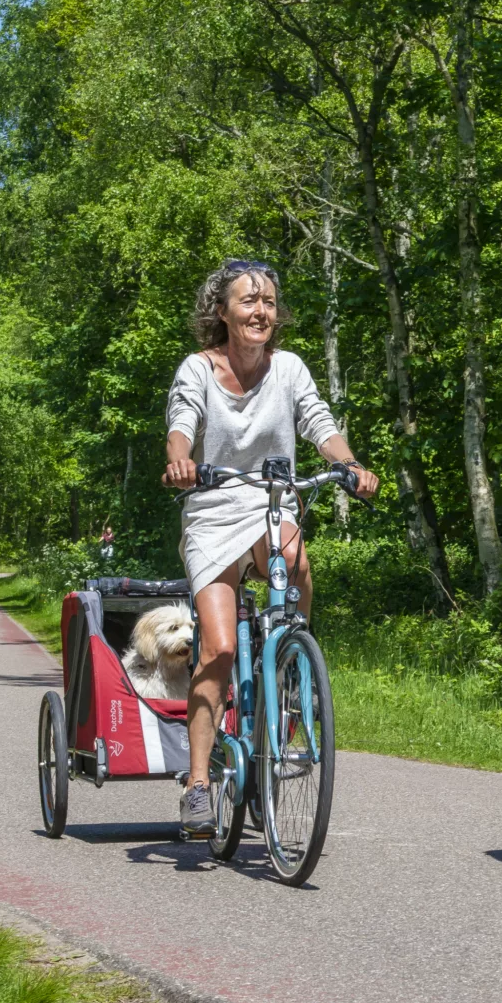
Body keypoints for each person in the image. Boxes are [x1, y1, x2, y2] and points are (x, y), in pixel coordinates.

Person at [161, 259, 379, 838]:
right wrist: (181, 459)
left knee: (299, 563)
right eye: (248, 301)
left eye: (269, 303)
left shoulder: (289, 369)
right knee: (221, 649)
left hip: (271, 502)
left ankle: (291, 668)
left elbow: (318, 423)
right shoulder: (199, 369)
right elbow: (183, 422)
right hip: (212, 508)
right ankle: (199, 784)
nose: (261, 312)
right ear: (222, 312)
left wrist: (349, 464)